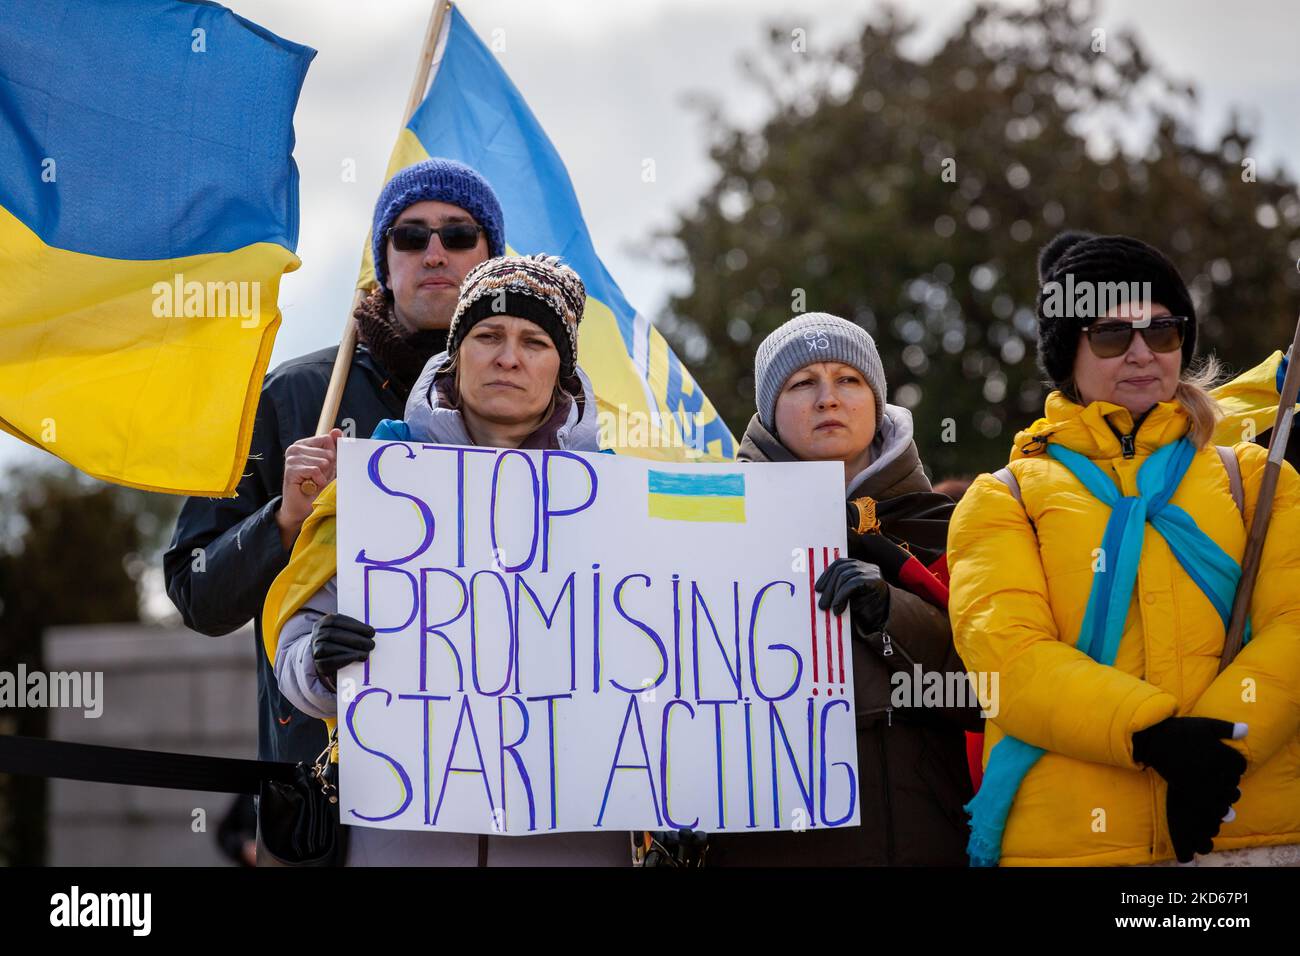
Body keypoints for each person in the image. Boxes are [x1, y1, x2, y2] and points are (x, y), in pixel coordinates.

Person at [948, 230, 1300, 866]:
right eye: (1111, 335)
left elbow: (1295, 625)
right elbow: (1011, 661)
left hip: (1255, 834)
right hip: (1070, 851)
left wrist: (1219, 750)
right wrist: (1155, 738)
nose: (1142, 353)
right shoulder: (1004, 499)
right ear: (1067, 356)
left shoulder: (1253, 478)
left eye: (1162, 331)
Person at [264, 254, 626, 865]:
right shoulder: (375, 483)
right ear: (457, 355)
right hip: (402, 838)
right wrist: (322, 662)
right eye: (487, 335)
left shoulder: (618, 498)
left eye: (534, 341)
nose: (507, 356)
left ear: (562, 368)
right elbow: (296, 659)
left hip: (575, 842)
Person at [163, 158, 503, 767]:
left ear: (489, 260)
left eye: (457, 235)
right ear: (383, 261)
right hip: (326, 800)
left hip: (489, 772)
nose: (433, 253)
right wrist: (284, 521)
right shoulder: (291, 397)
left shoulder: (534, 408)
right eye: (409, 235)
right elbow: (196, 594)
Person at [708, 312, 982, 866]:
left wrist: (893, 614)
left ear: (876, 402)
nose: (827, 398)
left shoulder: (950, 526)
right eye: (802, 382)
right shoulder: (715, 529)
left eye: (848, 380)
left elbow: (988, 691)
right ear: (768, 410)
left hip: (919, 841)